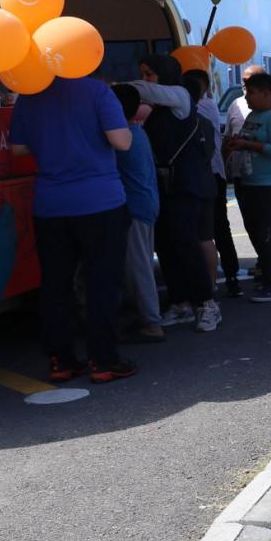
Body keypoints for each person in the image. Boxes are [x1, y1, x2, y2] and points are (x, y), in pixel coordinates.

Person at [8, 75, 136, 383]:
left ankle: (61, 360)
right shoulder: (98, 91)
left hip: (50, 204)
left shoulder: (29, 94)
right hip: (100, 201)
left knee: (55, 284)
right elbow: (122, 141)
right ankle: (104, 360)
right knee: (102, 283)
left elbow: (18, 149)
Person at [135, 55, 222, 333]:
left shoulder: (181, 97)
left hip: (186, 187)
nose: (147, 80)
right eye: (143, 74)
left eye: (150, 73)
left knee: (187, 245)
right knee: (167, 247)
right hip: (163, 188)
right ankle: (179, 302)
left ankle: (207, 304)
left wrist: (117, 88)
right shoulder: (156, 109)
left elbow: (147, 91)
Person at [223, 63, 271, 289]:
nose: (247, 97)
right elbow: (242, 136)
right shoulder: (253, 114)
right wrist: (235, 143)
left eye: (251, 93)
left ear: (266, 93)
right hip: (248, 182)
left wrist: (246, 144)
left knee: (266, 235)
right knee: (254, 232)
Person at [111, 83, 163, 345]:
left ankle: (152, 322)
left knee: (140, 265)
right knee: (139, 263)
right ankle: (145, 315)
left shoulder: (122, 138)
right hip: (147, 203)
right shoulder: (137, 132)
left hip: (136, 207)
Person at [182, 69, 222, 296]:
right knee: (207, 237)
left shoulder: (187, 120)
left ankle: (202, 291)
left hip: (191, 186)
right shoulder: (205, 119)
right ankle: (211, 286)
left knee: (198, 238)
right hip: (207, 182)